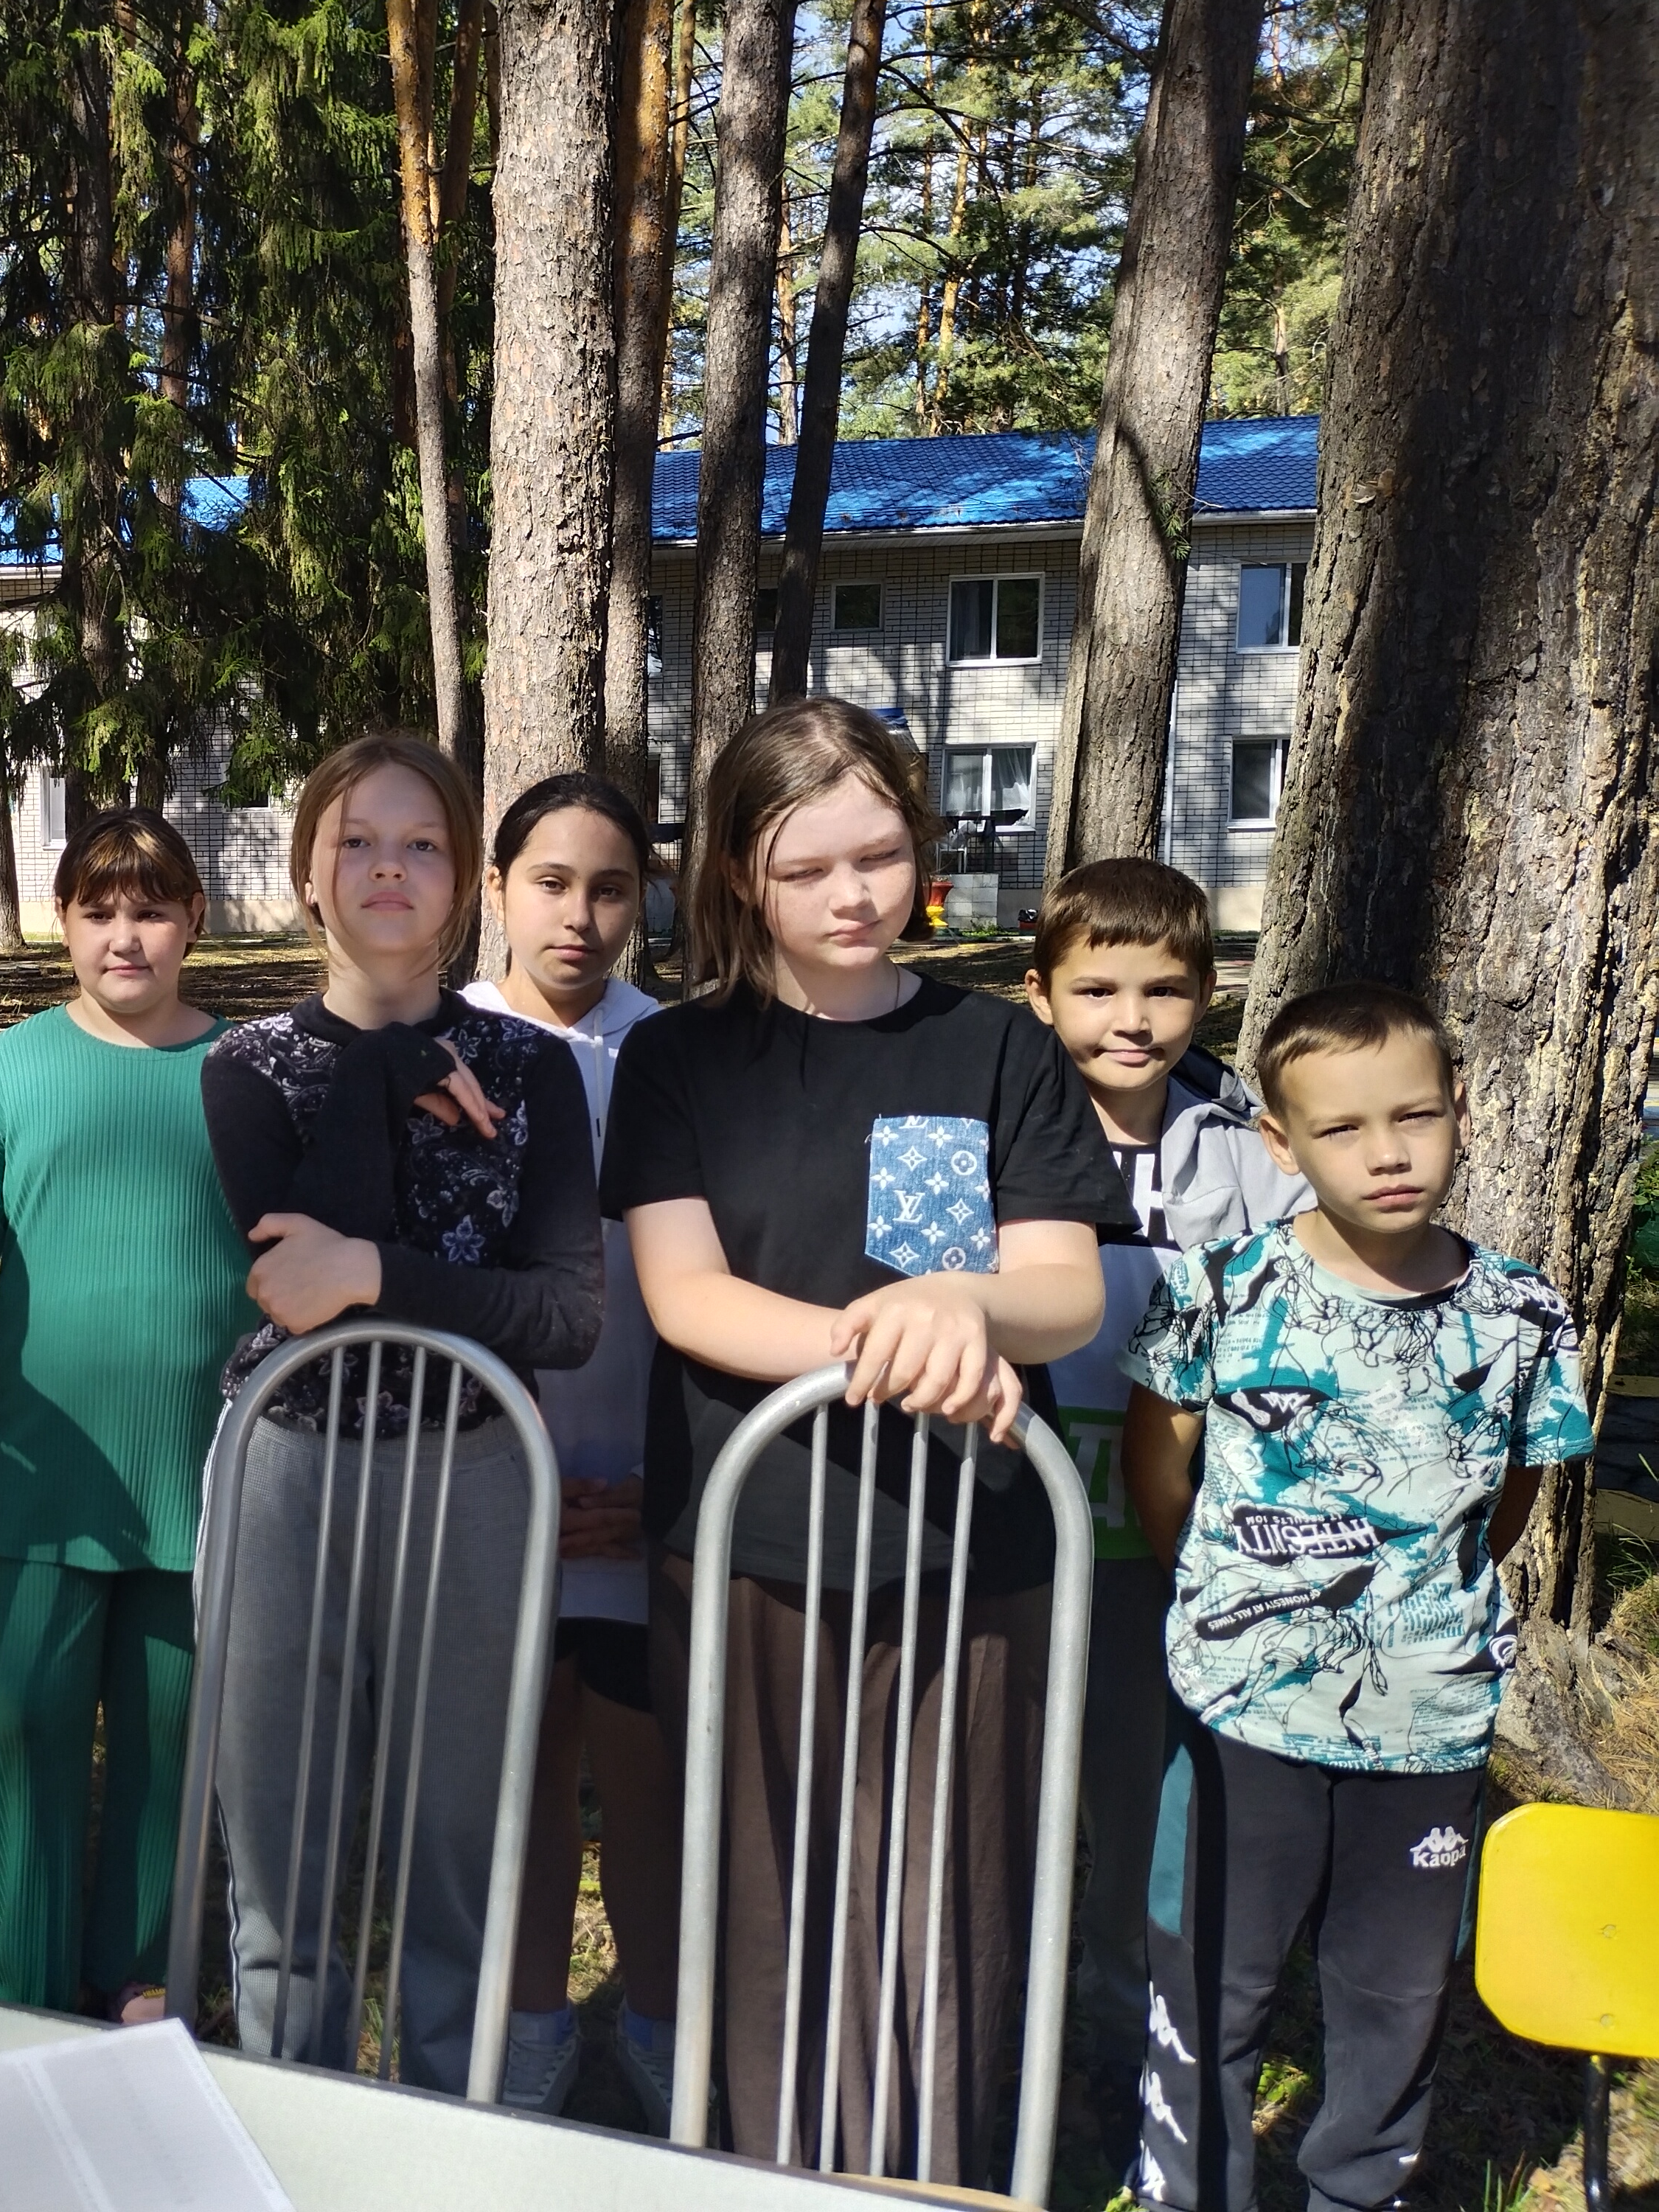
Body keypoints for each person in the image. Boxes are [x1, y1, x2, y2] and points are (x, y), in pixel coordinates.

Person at [602, 698, 1122, 2183]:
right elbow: (688, 1297)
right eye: (806, 867)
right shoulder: (677, 1061)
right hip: (753, 1554)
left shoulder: (998, 1049)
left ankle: (931, 2176)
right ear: (736, 877)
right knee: (766, 1903)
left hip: (972, 1559)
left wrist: (967, 1300)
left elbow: (1062, 1291)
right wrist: (892, 1341)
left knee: (952, 1904)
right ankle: (773, 2175)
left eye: (879, 856)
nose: (851, 896)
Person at [1121, 982, 1591, 2212]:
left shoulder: (1524, 1314)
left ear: (1462, 1112)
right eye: (1341, 1129)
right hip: (1241, 1716)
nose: (1387, 1154)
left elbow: (1508, 1498)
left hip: (1427, 1726)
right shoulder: (1222, 1287)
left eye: (1415, 1116)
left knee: (1395, 1996)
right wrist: (1230, 1601)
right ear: (1280, 1143)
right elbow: (1158, 1465)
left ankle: (1358, 2192)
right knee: (1211, 1981)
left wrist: (1416, 1605)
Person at [199, 730, 604, 2096]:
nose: (388, 869)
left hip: (475, 1477)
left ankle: (439, 2139)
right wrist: (382, 1071)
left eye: (421, 844)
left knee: (453, 1861)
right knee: (285, 1859)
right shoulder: (250, 1065)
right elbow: (295, 1287)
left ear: (465, 876)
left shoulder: (532, 1068)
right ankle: (294, 2132)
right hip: (289, 1475)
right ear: (308, 875)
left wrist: (377, 1276)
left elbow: (563, 1316)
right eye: (356, 843)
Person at [0, 810, 258, 2020]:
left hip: (199, 1475)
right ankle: (16, 1963)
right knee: (27, 1721)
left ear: (194, 921)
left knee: (171, 1733)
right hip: (49, 1476)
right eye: (99, 911)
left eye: (151, 911)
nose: (125, 937)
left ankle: (137, 1968)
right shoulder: (10, 1071)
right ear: (63, 921)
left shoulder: (247, 1076)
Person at [1016, 857, 1309, 2160]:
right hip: (1016, 1524)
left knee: (1135, 1801)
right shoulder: (1003, 1125)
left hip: (1163, 1534)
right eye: (1098, 990)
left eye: (1165, 990)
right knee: (1012, 1793)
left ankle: (1112, 2034)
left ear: (1206, 996)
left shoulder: (1247, 1155)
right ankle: (996, 2024)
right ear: (1040, 995)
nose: (1132, 1020)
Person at [460, 771, 683, 2126]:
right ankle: (532, 2015)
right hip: (499, 1490)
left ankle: (659, 2016)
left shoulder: (678, 1051)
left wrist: (666, 1486)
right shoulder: (441, 1050)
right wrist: (510, 1475)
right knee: (526, 1772)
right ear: (497, 890)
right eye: (551, 884)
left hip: (646, 1489)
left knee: (647, 1772)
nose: (580, 918)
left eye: (611, 889)